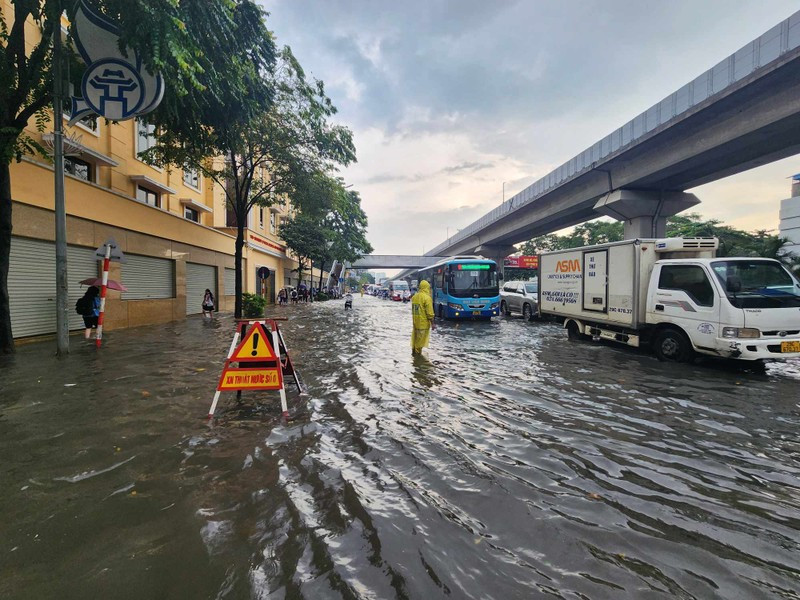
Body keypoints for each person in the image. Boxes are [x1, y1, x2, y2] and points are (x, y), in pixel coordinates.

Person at [411, 280, 435, 355]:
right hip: (423, 324)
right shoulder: (427, 298)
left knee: (415, 342)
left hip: (415, 323)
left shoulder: (415, 296)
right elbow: (430, 313)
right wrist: (432, 323)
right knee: (420, 344)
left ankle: (414, 357)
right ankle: (418, 361)